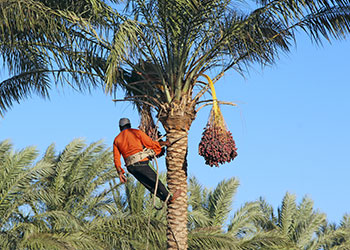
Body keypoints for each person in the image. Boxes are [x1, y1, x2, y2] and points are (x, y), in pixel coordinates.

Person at [113, 118, 181, 204]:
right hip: (141, 163)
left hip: (131, 167)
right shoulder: (135, 132)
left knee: (148, 185)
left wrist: (120, 173)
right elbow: (150, 143)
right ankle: (169, 197)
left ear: (120, 127)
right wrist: (164, 143)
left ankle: (165, 200)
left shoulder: (116, 139)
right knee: (155, 181)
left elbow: (116, 158)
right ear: (129, 125)